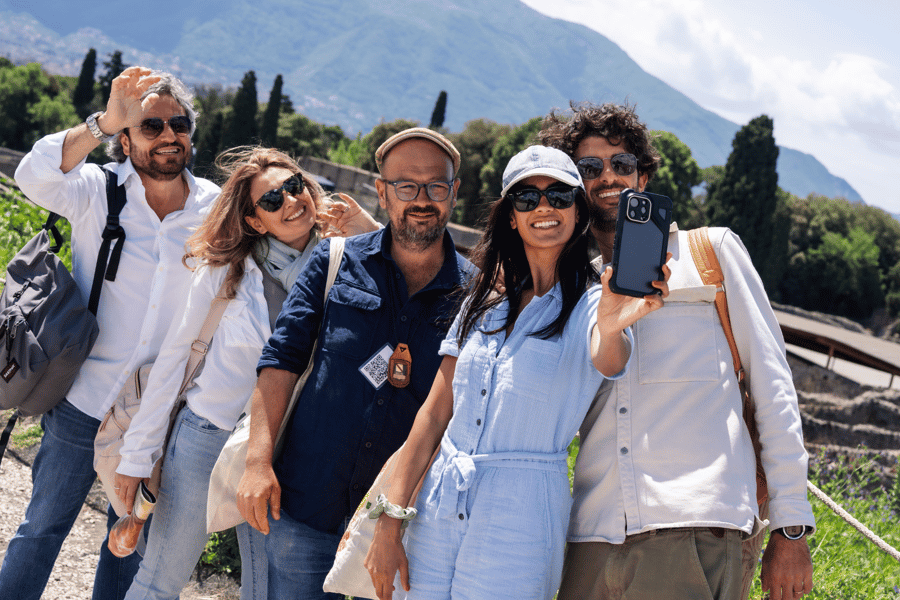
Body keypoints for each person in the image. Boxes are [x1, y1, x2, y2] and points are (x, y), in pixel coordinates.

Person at [364, 145, 668, 600]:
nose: (543, 207)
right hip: (437, 504)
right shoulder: (482, 299)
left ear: (578, 210)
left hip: (522, 516)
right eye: (526, 198)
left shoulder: (593, 304)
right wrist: (390, 523)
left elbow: (611, 357)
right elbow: (431, 417)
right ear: (510, 216)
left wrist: (610, 323)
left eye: (559, 196)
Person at [540, 102, 816, 600]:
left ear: (643, 177)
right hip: (590, 535)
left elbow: (774, 388)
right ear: (572, 184)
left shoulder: (710, 254)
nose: (608, 177)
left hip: (694, 526)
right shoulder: (565, 287)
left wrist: (791, 528)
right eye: (589, 168)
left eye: (622, 164)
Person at [111, 147, 379, 600]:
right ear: (255, 221)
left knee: (265, 589)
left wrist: (368, 230)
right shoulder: (229, 268)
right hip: (208, 437)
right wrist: (138, 456)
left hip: (285, 449)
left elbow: (406, 281)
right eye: (271, 201)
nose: (290, 201)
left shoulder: (344, 265)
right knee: (160, 579)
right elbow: (176, 358)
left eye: (294, 187)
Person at [4, 67, 221, 600]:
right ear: (126, 137)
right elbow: (33, 177)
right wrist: (100, 122)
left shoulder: (215, 207)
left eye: (180, 123)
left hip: (154, 416)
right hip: (84, 399)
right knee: (42, 529)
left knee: (126, 547)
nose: (170, 135)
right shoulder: (99, 189)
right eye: (152, 125)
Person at [236, 128, 473, 600]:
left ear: (454, 193)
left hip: (400, 524)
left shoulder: (476, 296)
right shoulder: (334, 260)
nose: (421, 199)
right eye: (406, 186)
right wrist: (258, 461)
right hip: (306, 502)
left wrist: (398, 516)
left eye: (435, 186)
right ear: (382, 192)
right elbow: (281, 360)